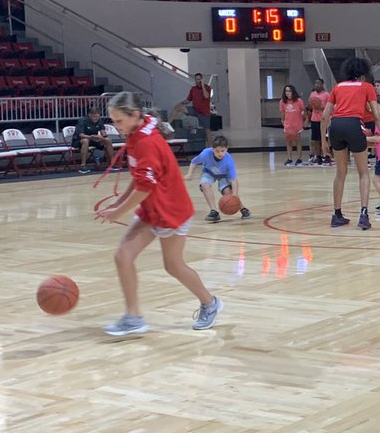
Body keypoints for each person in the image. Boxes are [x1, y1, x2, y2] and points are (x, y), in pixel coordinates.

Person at [95, 92, 222, 336]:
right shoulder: (135, 134)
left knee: (173, 266)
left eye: (119, 121)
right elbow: (139, 179)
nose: (115, 126)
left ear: (134, 115)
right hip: (152, 208)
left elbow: (145, 187)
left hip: (171, 209)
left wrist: (118, 212)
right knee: (123, 256)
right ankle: (133, 318)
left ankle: (210, 303)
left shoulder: (147, 142)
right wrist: (117, 206)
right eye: (113, 121)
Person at [322, 57, 380, 230]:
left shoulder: (337, 87)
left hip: (335, 126)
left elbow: (324, 116)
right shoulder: (367, 87)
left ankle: (337, 215)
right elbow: (376, 114)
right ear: (364, 74)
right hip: (353, 124)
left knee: (340, 173)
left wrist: (323, 140)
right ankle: (363, 215)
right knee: (363, 173)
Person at [184, 135, 250, 222]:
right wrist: (189, 174)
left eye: (222, 151)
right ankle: (214, 211)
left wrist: (234, 194)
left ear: (227, 149)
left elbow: (234, 180)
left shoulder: (229, 161)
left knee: (228, 193)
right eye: (217, 151)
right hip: (209, 172)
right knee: (204, 184)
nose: (220, 153)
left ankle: (243, 209)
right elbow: (194, 162)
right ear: (212, 149)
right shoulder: (205, 153)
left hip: (223, 175)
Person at [73, 107, 114, 173]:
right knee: (86, 140)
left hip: (93, 139)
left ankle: (112, 164)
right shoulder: (82, 121)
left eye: (98, 116)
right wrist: (91, 137)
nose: (96, 118)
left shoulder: (99, 121)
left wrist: (102, 137)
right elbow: (81, 135)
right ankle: (83, 165)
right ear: (90, 115)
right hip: (79, 140)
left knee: (108, 140)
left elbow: (103, 133)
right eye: (94, 116)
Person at [181, 73, 215, 143]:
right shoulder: (193, 89)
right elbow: (188, 100)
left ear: (202, 79)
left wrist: (202, 85)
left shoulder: (207, 88)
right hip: (195, 110)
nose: (197, 81)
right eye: (196, 80)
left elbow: (206, 96)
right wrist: (181, 103)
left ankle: (210, 148)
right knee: (179, 108)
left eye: (199, 79)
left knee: (207, 131)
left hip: (204, 113)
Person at [279, 84, 306, 167]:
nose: (287, 93)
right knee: (288, 142)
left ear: (293, 91)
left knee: (298, 142)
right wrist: (283, 121)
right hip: (288, 125)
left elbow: (303, 111)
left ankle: (299, 158)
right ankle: (289, 158)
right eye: (286, 91)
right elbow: (283, 113)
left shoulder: (299, 101)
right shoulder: (282, 102)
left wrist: (304, 119)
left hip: (297, 125)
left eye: (289, 91)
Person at [307, 78, 332, 165]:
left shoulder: (326, 95)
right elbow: (310, 106)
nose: (316, 85)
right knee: (315, 139)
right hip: (314, 119)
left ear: (322, 85)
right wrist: (311, 106)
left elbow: (330, 107)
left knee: (325, 139)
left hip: (324, 120)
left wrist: (320, 107)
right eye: (315, 83)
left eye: (318, 84)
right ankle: (318, 157)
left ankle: (327, 156)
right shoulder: (312, 94)